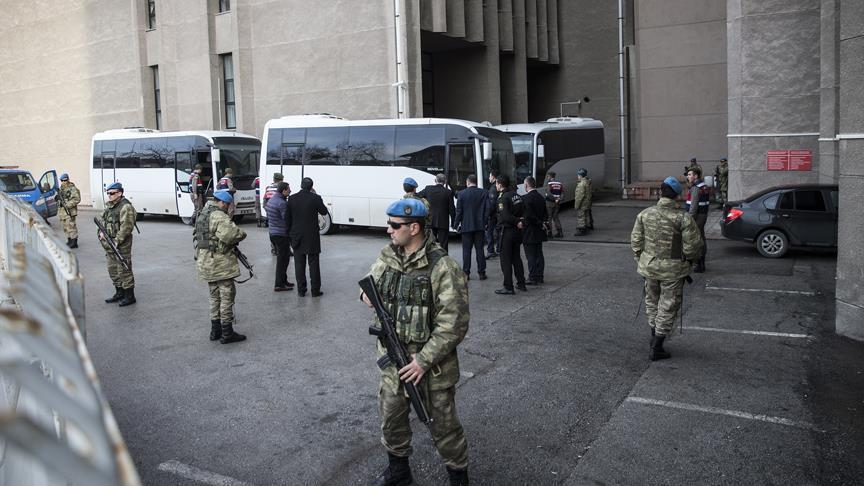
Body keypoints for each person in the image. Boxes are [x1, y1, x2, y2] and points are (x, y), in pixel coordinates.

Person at [360, 197, 470, 486]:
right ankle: (399, 473)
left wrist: (422, 361)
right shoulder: (389, 257)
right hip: (392, 363)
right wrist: (365, 296)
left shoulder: (443, 267)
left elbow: (454, 324)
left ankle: (459, 478)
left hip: (430, 367)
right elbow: (368, 284)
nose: (389, 230)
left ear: (415, 227)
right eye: (389, 224)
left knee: (444, 429)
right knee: (392, 420)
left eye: (395, 226)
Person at [630, 176, 703, 361]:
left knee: (652, 302)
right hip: (673, 269)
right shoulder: (683, 218)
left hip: (649, 267)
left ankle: (654, 334)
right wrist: (690, 262)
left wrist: (642, 260)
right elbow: (694, 247)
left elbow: (636, 242)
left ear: (660, 192)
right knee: (668, 305)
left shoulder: (644, 214)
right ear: (677, 196)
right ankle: (657, 345)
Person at [194, 190, 248, 344]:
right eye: (228, 205)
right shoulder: (219, 216)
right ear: (223, 203)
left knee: (214, 296)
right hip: (220, 263)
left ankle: (215, 330)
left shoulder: (203, 213)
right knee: (226, 296)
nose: (228, 208)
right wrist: (242, 233)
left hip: (205, 262)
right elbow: (232, 234)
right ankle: (227, 332)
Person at [286, 177, 328, 297]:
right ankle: (315, 290)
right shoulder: (315, 198)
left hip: (297, 236)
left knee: (299, 264)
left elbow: (287, 218)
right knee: (314, 264)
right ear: (311, 187)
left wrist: (290, 234)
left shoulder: (292, 198)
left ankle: (301, 290)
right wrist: (316, 195)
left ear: (301, 185)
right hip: (312, 237)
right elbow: (324, 211)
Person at [98, 182, 137, 306]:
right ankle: (119, 292)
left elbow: (126, 227)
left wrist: (116, 241)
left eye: (112, 193)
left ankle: (129, 296)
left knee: (124, 270)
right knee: (112, 269)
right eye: (108, 193)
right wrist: (101, 233)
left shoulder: (125, 207)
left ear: (120, 193)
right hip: (109, 245)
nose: (109, 195)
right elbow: (101, 221)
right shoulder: (110, 206)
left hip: (121, 245)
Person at [494, 174, 527, 295]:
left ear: (500, 184)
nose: (495, 185)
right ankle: (521, 283)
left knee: (505, 261)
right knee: (516, 258)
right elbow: (524, 210)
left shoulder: (502, 199)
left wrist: (516, 221)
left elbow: (506, 216)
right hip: (517, 232)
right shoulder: (516, 195)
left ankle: (508, 286)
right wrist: (521, 221)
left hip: (507, 231)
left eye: (496, 183)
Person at [453, 174, 489, 280]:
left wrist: (456, 225)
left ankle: (466, 273)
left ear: (467, 182)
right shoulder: (484, 192)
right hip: (479, 226)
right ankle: (481, 273)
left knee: (466, 251)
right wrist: (484, 222)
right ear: (476, 182)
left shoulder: (462, 194)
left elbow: (458, 211)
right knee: (480, 250)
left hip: (466, 226)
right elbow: (487, 210)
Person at [266, 182, 294, 292]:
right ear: (283, 191)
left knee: (283, 258)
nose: (290, 191)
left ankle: (284, 280)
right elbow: (286, 219)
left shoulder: (272, 200)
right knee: (283, 260)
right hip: (281, 234)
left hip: (273, 233)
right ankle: (279, 284)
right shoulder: (282, 203)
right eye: (288, 189)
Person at [418, 173, 456, 252]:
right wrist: (453, 223)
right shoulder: (448, 192)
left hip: (430, 221)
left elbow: (418, 196)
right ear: (445, 182)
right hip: (443, 222)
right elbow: (452, 209)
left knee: (430, 243)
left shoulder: (428, 189)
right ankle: (443, 260)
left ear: (435, 180)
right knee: (443, 245)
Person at [522, 176, 548, 285]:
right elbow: (545, 213)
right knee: (539, 254)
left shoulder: (526, 198)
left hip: (529, 231)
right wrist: (543, 223)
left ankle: (532, 277)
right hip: (539, 231)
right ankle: (540, 276)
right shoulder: (540, 197)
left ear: (526, 185)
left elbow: (528, 216)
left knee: (531, 255)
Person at [685, 167, 710, 273]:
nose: (688, 176)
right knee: (701, 237)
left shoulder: (695, 188)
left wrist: (689, 219)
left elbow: (693, 206)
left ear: (696, 176)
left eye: (690, 174)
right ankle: (700, 262)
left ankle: (699, 263)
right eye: (688, 174)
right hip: (703, 215)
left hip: (697, 216)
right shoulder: (703, 186)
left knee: (695, 240)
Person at [58, 173, 81, 248]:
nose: (64, 182)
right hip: (62, 212)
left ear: (68, 179)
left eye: (65, 180)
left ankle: (74, 242)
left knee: (71, 226)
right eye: (62, 180)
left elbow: (77, 199)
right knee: (66, 227)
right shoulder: (61, 188)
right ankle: (70, 240)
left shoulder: (72, 188)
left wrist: (67, 204)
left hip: (70, 211)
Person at [544, 171, 564, 238]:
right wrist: (558, 199)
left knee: (549, 217)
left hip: (549, 203)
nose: (547, 178)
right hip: (557, 203)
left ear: (549, 176)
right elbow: (562, 193)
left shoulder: (549, 184)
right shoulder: (559, 183)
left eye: (547, 176)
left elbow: (549, 194)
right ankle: (560, 232)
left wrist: (554, 199)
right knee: (556, 217)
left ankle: (550, 233)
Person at [485, 170, 501, 258]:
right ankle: (498, 249)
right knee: (498, 231)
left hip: (493, 215)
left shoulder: (493, 188)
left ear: (493, 177)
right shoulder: (497, 186)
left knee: (489, 232)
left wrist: (487, 215)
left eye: (490, 176)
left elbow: (492, 204)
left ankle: (491, 250)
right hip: (498, 214)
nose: (489, 178)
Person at [573, 168, 591, 236]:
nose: (577, 176)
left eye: (578, 175)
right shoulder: (587, 182)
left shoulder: (581, 184)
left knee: (581, 217)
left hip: (582, 204)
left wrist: (576, 205)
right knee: (586, 216)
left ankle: (581, 230)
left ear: (580, 175)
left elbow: (579, 197)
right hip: (587, 203)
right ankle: (586, 228)